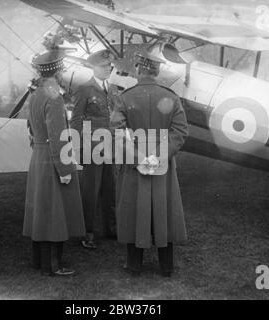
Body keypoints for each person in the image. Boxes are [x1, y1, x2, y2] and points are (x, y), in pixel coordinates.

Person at [111, 49, 189, 277]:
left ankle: (134, 264)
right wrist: (159, 156)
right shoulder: (171, 96)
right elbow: (180, 131)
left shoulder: (125, 97)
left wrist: (139, 158)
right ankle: (167, 266)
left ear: (138, 68)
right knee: (165, 209)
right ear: (157, 71)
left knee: (135, 209)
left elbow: (116, 133)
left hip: (135, 162)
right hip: (163, 164)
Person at [23, 48, 86, 276]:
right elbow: (58, 136)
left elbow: (30, 128)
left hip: (38, 156)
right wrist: (65, 168)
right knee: (55, 213)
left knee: (40, 211)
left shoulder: (35, 94)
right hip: (52, 158)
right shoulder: (55, 98)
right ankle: (54, 265)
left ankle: (38, 261)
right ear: (57, 71)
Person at [70, 49, 118, 249]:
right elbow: (75, 121)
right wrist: (79, 148)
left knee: (110, 189)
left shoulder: (112, 89)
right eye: (104, 66)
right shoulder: (85, 90)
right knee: (90, 191)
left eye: (110, 66)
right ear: (94, 67)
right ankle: (86, 232)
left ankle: (111, 228)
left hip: (110, 147)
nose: (108, 69)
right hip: (91, 149)